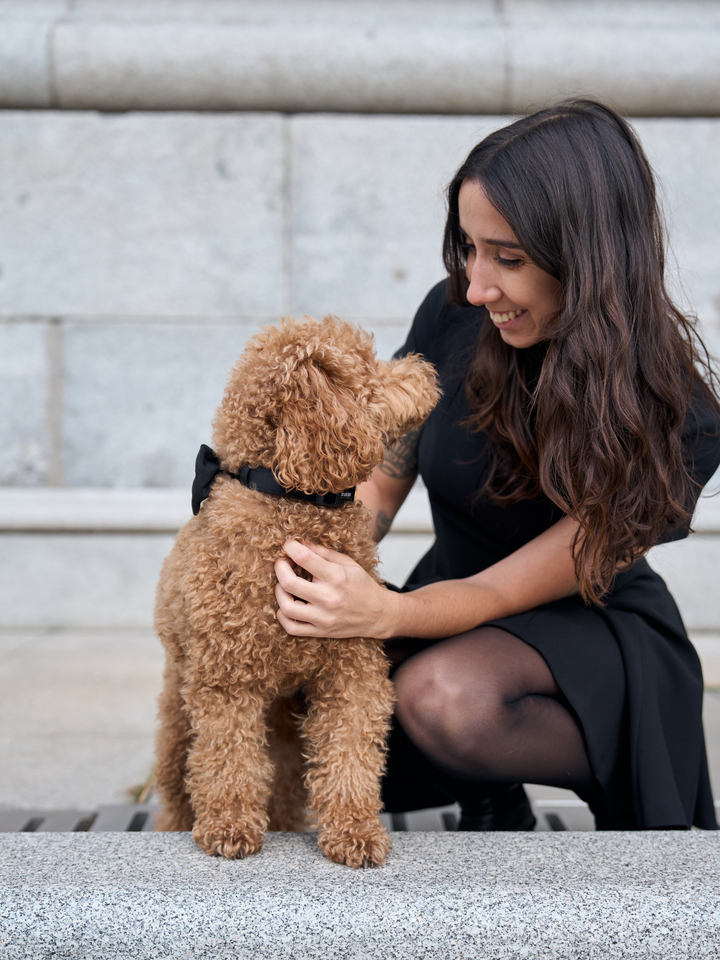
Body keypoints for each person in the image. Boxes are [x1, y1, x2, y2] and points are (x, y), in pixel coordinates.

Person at [274, 99, 720, 831]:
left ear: (587, 258)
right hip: (448, 602)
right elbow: (384, 478)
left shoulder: (683, 419)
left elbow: (502, 592)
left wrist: (385, 612)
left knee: (444, 699)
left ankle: (614, 769)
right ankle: (490, 790)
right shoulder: (453, 315)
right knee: (297, 715)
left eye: (507, 259)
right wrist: (311, 563)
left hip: (595, 635)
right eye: (469, 249)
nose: (478, 285)